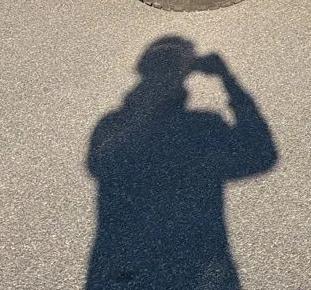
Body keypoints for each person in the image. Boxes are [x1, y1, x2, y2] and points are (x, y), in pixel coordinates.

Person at [85, 37, 277, 290]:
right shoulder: (117, 126)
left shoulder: (202, 128)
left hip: (173, 270)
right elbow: (103, 163)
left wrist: (229, 81)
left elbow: (260, 155)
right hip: (153, 270)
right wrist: (228, 81)